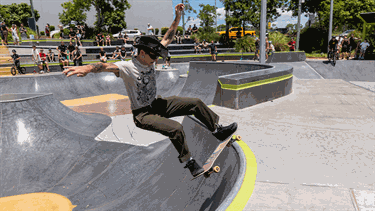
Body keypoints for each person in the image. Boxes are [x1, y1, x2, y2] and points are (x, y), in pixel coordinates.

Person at [63, 3, 237, 177]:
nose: (155, 60)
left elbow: (168, 36)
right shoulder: (127, 67)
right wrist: (87, 68)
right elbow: (104, 66)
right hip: (142, 114)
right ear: (142, 53)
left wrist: (177, 17)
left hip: (157, 104)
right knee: (176, 128)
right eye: (153, 56)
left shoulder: (151, 52)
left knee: (196, 103)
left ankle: (217, 130)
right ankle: (189, 162)